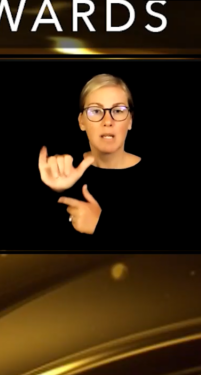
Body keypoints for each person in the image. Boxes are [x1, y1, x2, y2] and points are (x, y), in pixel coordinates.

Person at [35, 73, 163, 250]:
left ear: (130, 121)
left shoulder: (160, 179)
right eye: (96, 111)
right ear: (81, 122)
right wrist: (55, 191)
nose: (107, 121)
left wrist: (101, 226)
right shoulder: (65, 171)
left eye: (118, 111)